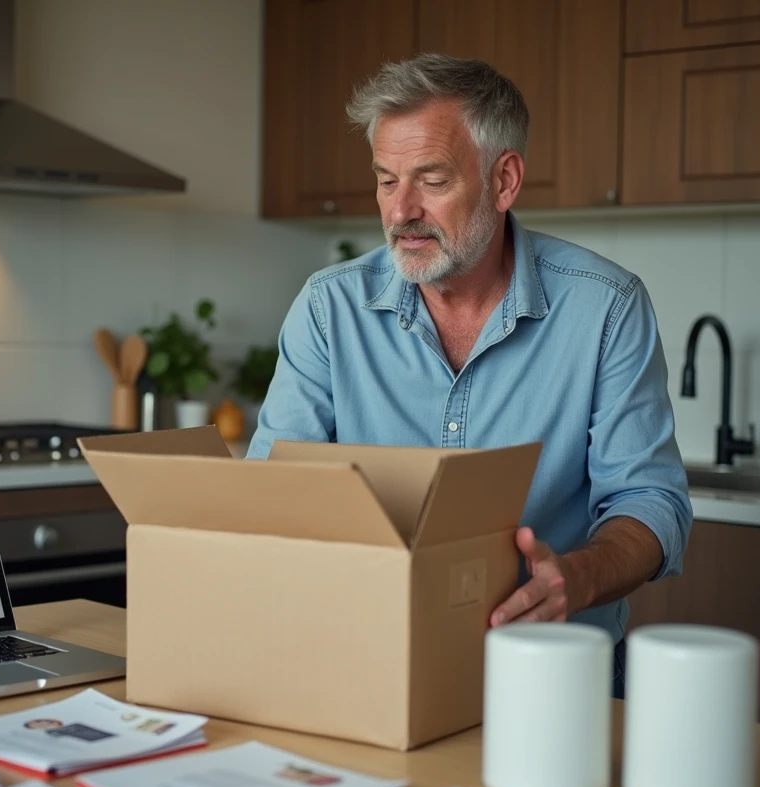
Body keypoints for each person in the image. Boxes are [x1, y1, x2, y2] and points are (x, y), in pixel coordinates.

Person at [246, 53, 692, 697]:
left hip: (558, 673)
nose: (400, 212)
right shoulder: (328, 307)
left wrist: (581, 577)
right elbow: (273, 496)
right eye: (385, 180)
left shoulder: (606, 307)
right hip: (371, 665)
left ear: (503, 180)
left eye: (431, 180)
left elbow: (651, 501)